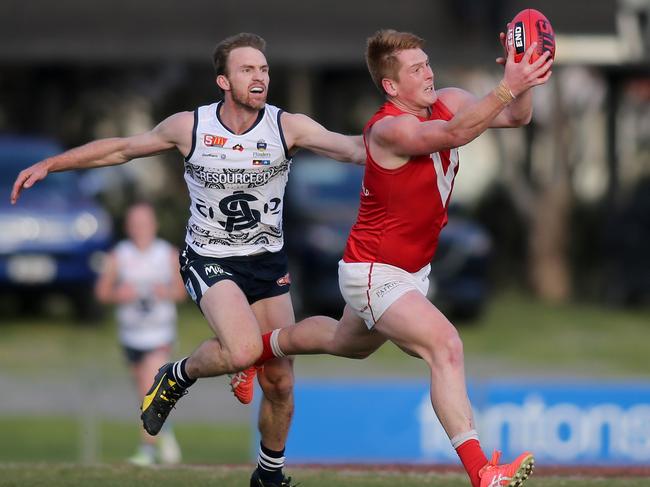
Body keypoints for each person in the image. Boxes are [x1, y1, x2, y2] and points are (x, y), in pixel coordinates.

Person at [11, 33, 365, 487]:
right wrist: (53, 164)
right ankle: (177, 374)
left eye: (264, 70)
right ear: (223, 80)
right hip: (209, 258)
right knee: (243, 350)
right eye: (247, 70)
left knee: (280, 383)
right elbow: (121, 148)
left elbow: (355, 148)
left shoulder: (287, 126)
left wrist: (425, 132)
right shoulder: (190, 127)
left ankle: (270, 475)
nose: (259, 77)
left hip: (266, 261)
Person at [234, 29, 553, 487]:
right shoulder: (389, 128)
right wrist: (507, 87)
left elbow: (515, 118)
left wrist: (525, 74)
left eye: (427, 63)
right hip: (373, 272)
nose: (428, 72)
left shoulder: (450, 99)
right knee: (445, 346)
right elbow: (455, 133)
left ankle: (256, 351)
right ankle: (483, 473)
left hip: (409, 272)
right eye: (415, 69)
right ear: (390, 86)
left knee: (345, 343)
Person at [95, 202, 186, 466]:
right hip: (130, 336)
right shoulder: (119, 255)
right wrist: (118, 295)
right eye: (134, 224)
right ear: (128, 227)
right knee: (143, 394)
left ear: (154, 225)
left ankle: (146, 451)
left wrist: (164, 293)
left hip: (159, 334)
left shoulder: (167, 254)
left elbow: (181, 293)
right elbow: (102, 293)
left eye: (144, 223)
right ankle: (164, 433)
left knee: (150, 388)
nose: (140, 229)